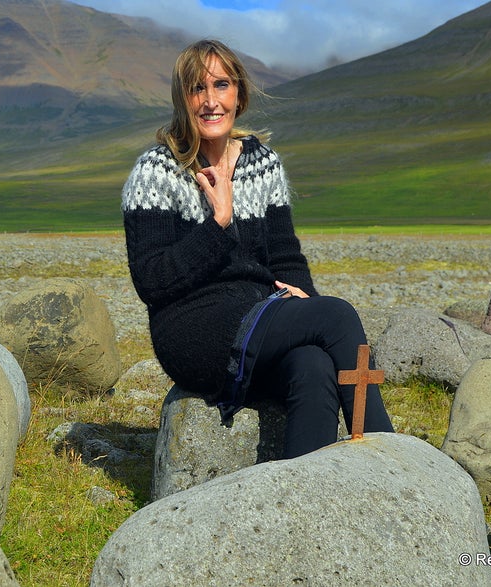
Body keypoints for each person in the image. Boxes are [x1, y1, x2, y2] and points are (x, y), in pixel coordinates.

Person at [122, 39, 393, 458]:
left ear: (240, 95)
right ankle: (388, 458)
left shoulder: (262, 162)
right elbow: (152, 281)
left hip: (258, 315)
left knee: (313, 365)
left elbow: (286, 258)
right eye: (197, 89)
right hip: (191, 326)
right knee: (337, 315)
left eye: (222, 85)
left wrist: (303, 301)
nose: (210, 101)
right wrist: (218, 224)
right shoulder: (157, 170)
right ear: (182, 99)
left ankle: (307, 495)